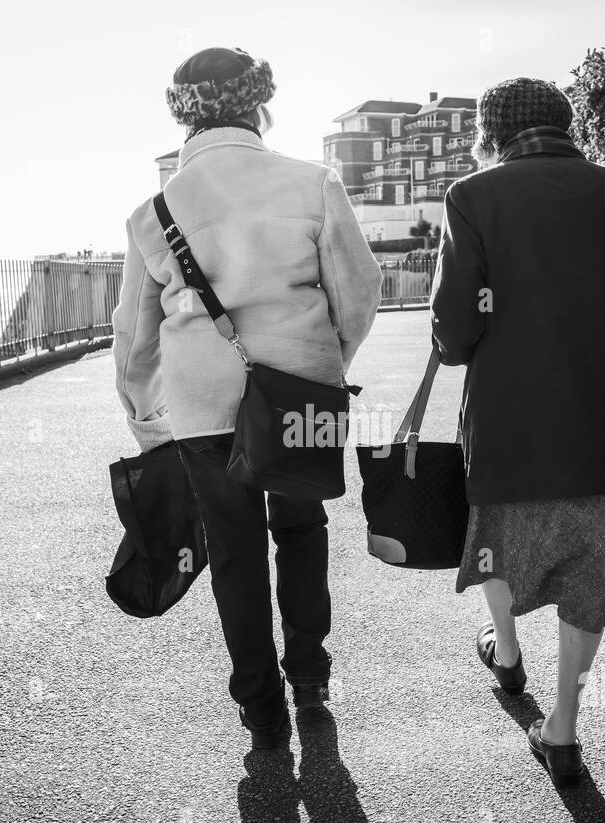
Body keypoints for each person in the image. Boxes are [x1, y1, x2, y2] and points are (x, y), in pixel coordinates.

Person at [111, 47, 383, 750]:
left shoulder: (155, 212)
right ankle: (310, 674)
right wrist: (327, 361)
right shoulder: (312, 183)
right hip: (300, 393)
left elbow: (136, 339)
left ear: (183, 117)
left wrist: (149, 423)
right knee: (302, 530)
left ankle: (260, 708)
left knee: (234, 551)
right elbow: (359, 292)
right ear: (259, 105)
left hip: (202, 401)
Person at [430, 77, 605, 786]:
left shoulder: (473, 195)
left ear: (491, 131)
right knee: (590, 572)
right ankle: (564, 730)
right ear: (563, 122)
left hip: (508, 421)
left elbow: (455, 328)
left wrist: (460, 341)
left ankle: (507, 655)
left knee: (498, 545)